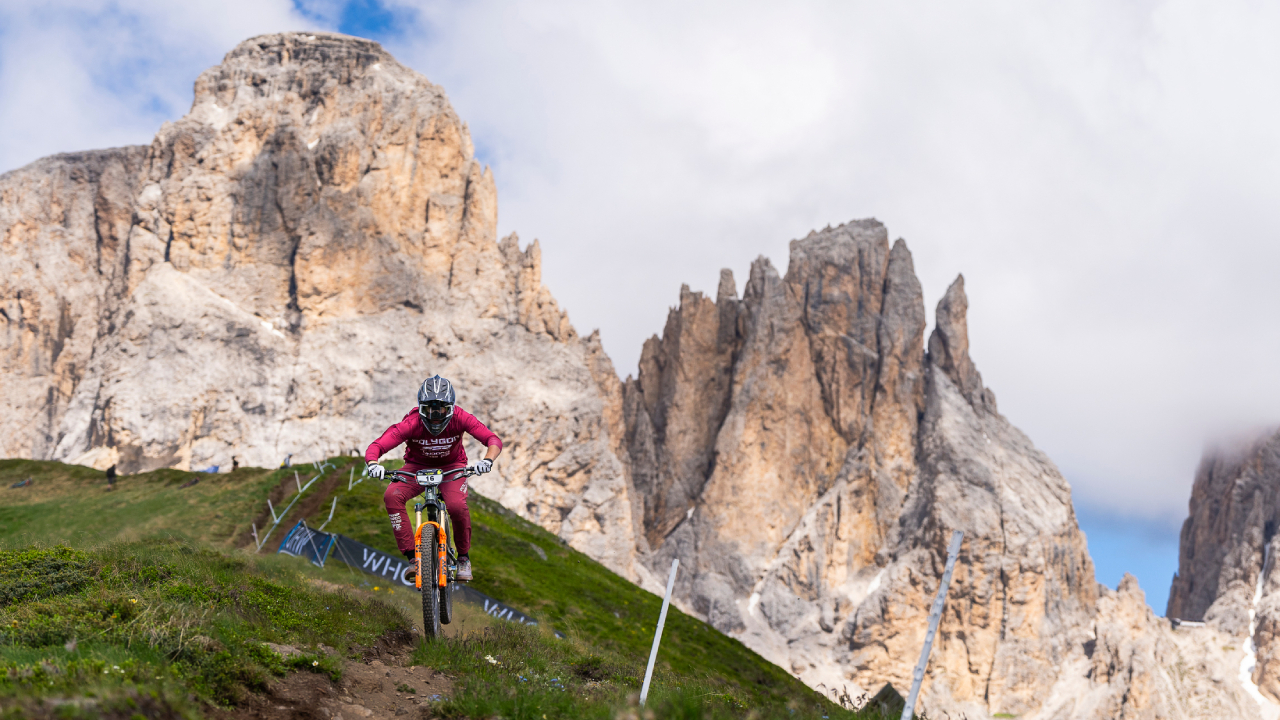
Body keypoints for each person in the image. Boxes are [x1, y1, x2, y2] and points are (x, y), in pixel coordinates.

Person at [365, 375, 501, 582]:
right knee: (392, 496)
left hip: (452, 467)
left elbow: (493, 439)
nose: (436, 415)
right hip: (417, 467)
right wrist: (373, 463)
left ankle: (463, 557)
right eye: (429, 409)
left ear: (452, 408)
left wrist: (488, 460)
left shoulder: (461, 417)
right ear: (420, 408)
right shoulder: (411, 423)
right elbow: (377, 446)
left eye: (443, 409)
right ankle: (413, 559)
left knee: (456, 505)